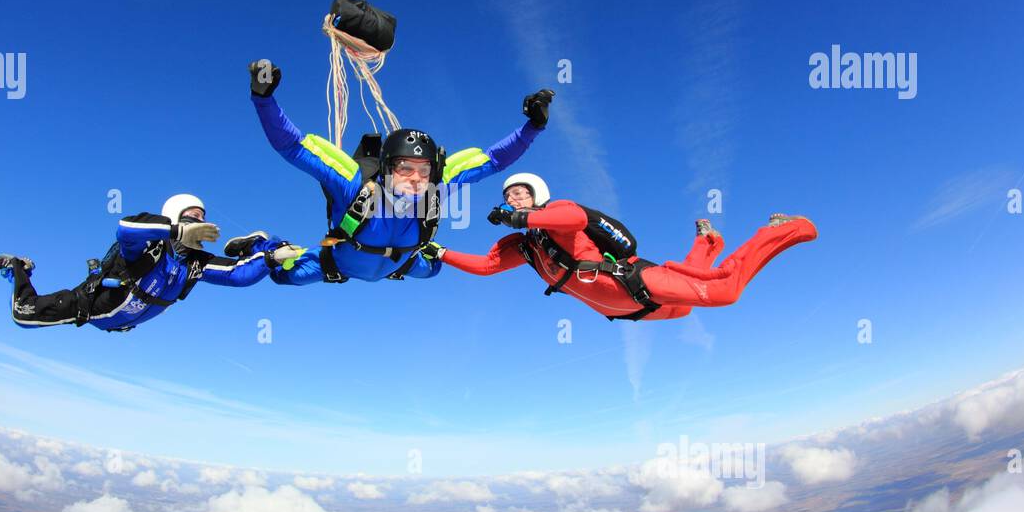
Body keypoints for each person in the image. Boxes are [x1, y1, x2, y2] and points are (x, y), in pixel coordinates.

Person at [247, 59, 555, 285]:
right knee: (282, 275)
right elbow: (294, 147)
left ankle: (419, 260)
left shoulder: (438, 185)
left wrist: (533, 127)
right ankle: (265, 243)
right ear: (385, 167)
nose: (416, 178)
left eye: (424, 170)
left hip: (405, 263)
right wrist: (264, 99)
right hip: (337, 261)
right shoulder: (352, 183)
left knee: (433, 269)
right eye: (404, 168)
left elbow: (493, 160)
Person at [427, 173, 816, 320]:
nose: (513, 197)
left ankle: (781, 230)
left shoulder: (556, 211)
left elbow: (576, 220)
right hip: (627, 311)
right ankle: (708, 240)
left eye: (520, 192)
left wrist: (521, 218)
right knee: (685, 308)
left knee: (725, 292)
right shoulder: (528, 246)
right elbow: (486, 266)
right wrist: (440, 252)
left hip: (634, 283)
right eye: (509, 195)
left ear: (537, 195)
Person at [0, 194, 298, 331]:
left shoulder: (195, 263)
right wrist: (176, 230)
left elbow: (237, 275)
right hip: (90, 305)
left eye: (203, 220)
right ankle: (18, 269)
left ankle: (256, 243)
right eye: (193, 218)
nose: (201, 224)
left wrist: (269, 257)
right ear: (174, 218)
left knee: (259, 255)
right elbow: (126, 227)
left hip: (118, 320)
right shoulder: (149, 246)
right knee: (23, 315)